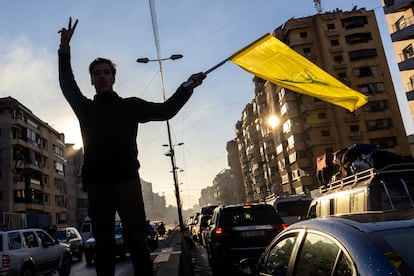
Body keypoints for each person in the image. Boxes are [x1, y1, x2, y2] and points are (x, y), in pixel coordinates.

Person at [58, 17, 206, 276]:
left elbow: (166, 110)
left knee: (137, 241)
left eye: (106, 72)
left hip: (127, 182)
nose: (102, 77)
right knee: (103, 245)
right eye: (97, 74)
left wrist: (187, 87)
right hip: (97, 185)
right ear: (92, 80)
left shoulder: (130, 106)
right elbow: (67, 84)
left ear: (114, 77)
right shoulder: (86, 109)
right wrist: (64, 49)